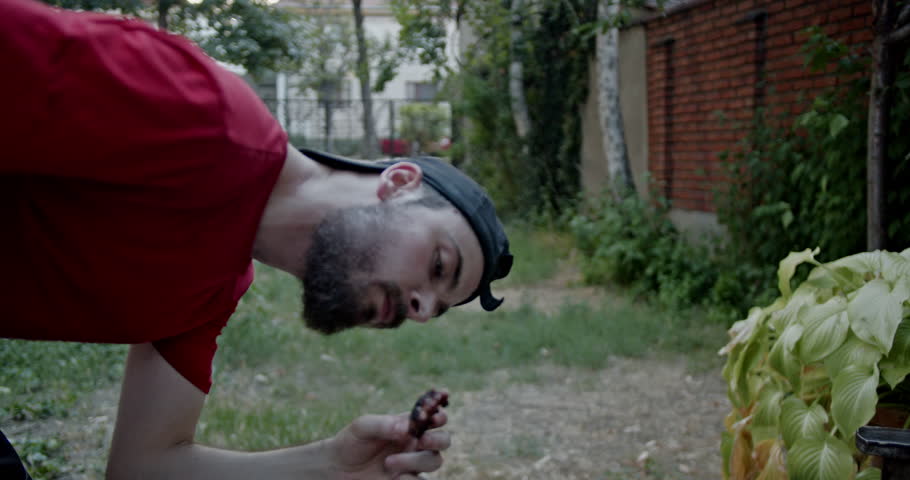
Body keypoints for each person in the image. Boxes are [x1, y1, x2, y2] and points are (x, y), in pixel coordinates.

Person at [0, 0, 513, 478]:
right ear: (398, 183)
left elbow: (143, 466)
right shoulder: (203, 116)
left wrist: (331, 464)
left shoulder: (211, 295)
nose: (420, 311)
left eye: (436, 309)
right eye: (439, 267)